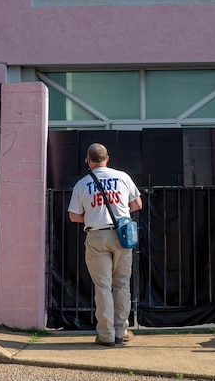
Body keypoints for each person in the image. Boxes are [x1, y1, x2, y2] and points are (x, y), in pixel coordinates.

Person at [68, 143, 142, 347]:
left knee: (103, 286)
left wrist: (93, 216)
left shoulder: (82, 184)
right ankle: (121, 331)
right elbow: (137, 204)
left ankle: (106, 334)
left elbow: (74, 216)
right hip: (123, 234)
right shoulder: (123, 177)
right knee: (122, 284)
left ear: (88, 161)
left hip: (97, 236)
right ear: (107, 158)